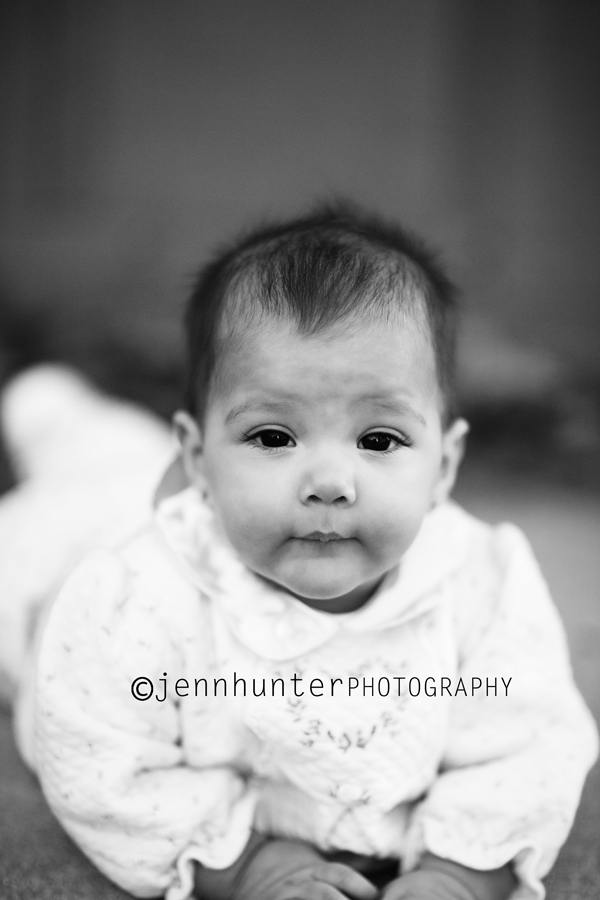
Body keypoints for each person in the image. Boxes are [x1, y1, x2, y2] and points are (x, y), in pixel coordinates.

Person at [5, 203, 598, 900]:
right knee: (69, 485)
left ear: (444, 465)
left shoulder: (483, 586)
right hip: (72, 543)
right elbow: (102, 763)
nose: (329, 483)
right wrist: (246, 863)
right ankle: (39, 394)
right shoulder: (131, 595)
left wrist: (462, 873)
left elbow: (531, 748)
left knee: (104, 448)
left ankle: (61, 408)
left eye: (379, 440)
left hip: (162, 482)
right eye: (273, 437)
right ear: (197, 458)